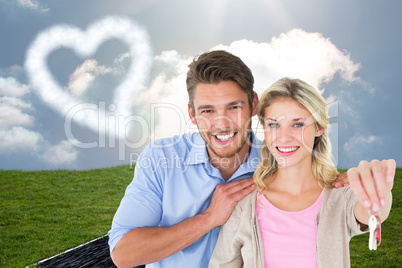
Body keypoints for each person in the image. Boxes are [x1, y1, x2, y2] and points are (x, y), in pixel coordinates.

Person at [108, 51, 389, 268]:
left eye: (233, 107)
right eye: (207, 110)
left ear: (253, 104)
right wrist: (208, 219)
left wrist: (368, 194)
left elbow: (354, 211)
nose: (221, 123)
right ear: (191, 114)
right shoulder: (162, 158)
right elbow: (123, 254)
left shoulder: (280, 162)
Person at [209, 78, 395, 267]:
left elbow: (372, 211)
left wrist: (380, 193)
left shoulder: (339, 196)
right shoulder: (245, 204)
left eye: (297, 124)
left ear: (319, 128)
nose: (283, 137)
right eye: (273, 125)